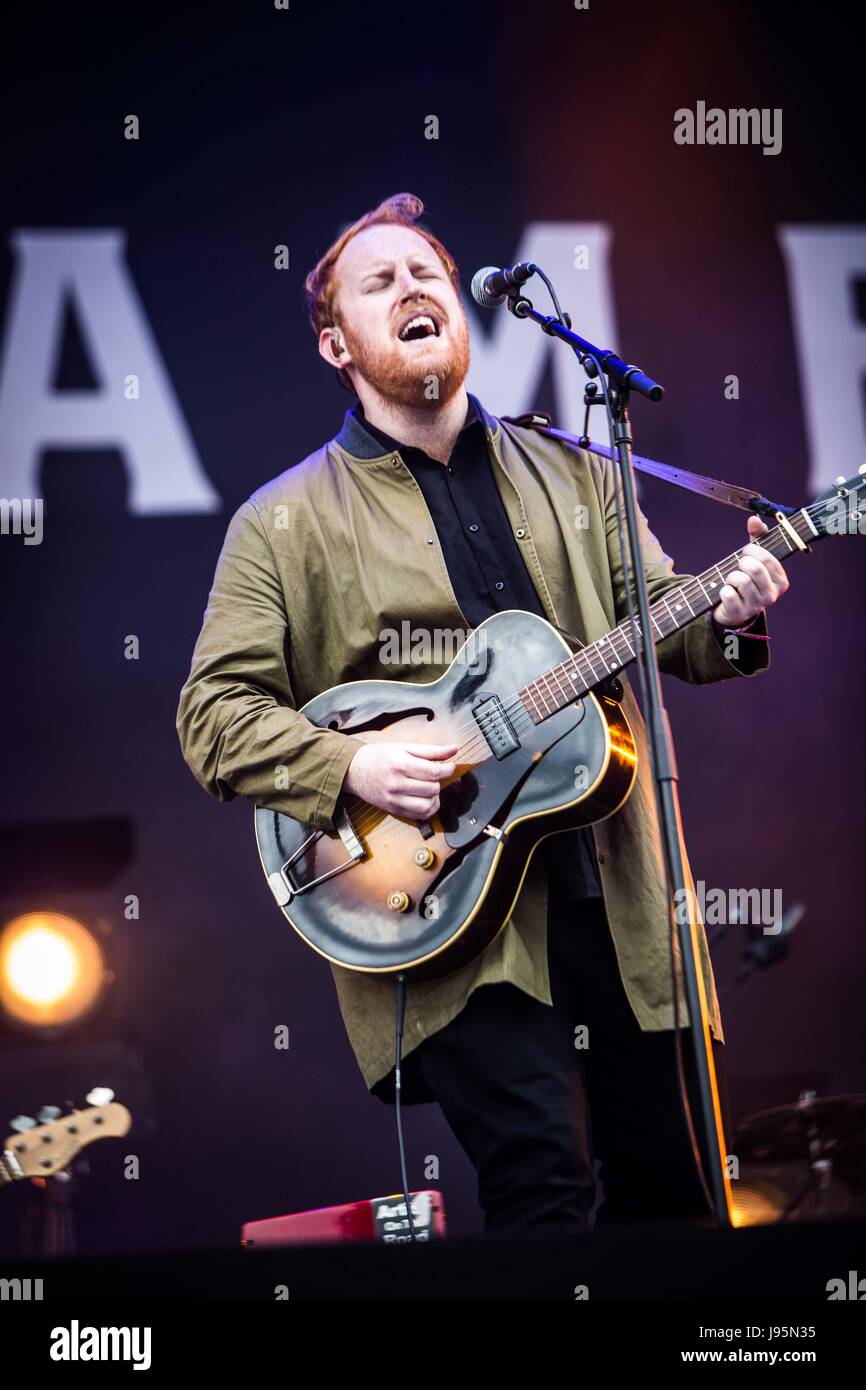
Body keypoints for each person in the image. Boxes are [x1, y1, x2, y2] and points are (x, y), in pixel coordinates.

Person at [176, 192, 790, 1233]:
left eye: (427, 272)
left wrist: (729, 609)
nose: (415, 288)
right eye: (381, 283)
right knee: (540, 1187)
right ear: (336, 344)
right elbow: (211, 712)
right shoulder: (282, 520)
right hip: (439, 904)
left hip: (617, 891)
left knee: (673, 1194)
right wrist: (350, 769)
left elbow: (667, 625)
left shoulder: (573, 470)